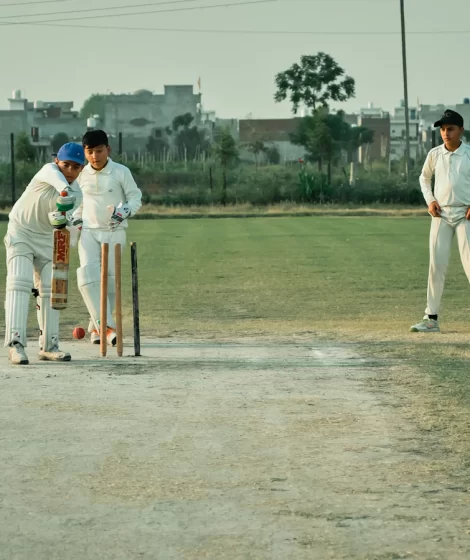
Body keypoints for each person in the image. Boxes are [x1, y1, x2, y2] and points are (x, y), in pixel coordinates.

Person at [4, 143, 85, 364]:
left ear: (81, 169)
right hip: (21, 232)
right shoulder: (47, 171)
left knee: (50, 289)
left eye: (76, 167)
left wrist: (65, 219)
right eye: (66, 165)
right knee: (19, 284)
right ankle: (15, 344)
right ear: (57, 161)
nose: (70, 170)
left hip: (47, 239)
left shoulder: (77, 193)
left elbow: (59, 222)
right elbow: (59, 182)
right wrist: (64, 192)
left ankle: (49, 346)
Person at [74, 130, 142, 345]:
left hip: (114, 231)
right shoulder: (80, 174)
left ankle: (97, 328)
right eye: (90, 152)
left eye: (99, 151)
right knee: (88, 277)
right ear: (85, 152)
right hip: (88, 232)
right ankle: (107, 327)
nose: (95, 156)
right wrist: (74, 219)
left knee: (110, 281)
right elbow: (77, 204)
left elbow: (135, 198)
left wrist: (124, 212)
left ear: (108, 150)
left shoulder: (120, 171)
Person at [410, 109, 470, 332]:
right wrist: (431, 200)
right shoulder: (434, 154)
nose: (446, 133)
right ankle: (431, 318)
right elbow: (424, 178)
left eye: (450, 129)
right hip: (441, 215)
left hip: (465, 215)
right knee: (436, 266)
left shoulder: (469, 154)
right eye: (443, 129)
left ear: (461, 130)